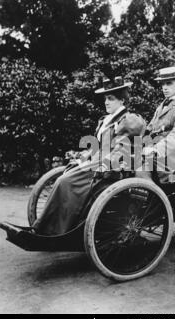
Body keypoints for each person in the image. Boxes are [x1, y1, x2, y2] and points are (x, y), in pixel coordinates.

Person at [32, 77, 146, 236]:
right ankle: (47, 227)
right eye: (105, 98)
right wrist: (82, 156)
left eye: (111, 99)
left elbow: (122, 149)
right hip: (96, 163)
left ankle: (60, 230)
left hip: (112, 169)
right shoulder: (106, 120)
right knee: (63, 179)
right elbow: (96, 146)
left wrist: (103, 163)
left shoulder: (129, 120)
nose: (106, 102)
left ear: (122, 100)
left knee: (65, 182)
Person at [138, 66, 175, 183]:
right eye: (162, 84)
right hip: (155, 157)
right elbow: (149, 131)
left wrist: (155, 149)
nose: (164, 88)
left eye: (169, 83)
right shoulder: (161, 107)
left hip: (173, 161)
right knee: (123, 166)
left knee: (140, 170)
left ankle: (151, 199)